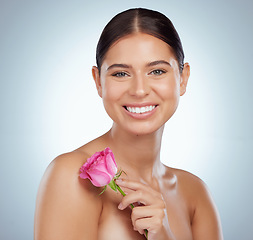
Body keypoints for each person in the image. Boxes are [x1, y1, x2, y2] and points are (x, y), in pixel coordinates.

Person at [34, 8, 223, 240]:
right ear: (98, 81)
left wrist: (163, 235)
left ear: (183, 79)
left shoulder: (196, 193)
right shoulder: (72, 176)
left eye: (157, 71)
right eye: (121, 74)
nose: (139, 90)